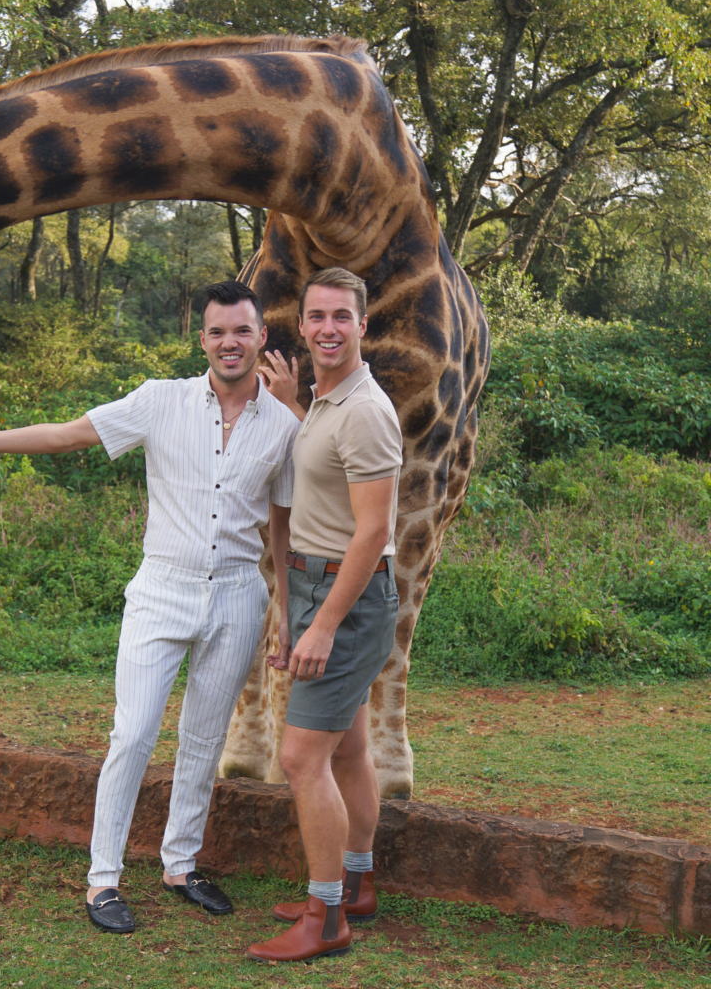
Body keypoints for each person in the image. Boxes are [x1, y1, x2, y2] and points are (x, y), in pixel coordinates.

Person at [0, 280, 299, 934]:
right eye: (216, 331)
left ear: (262, 337)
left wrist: (286, 609)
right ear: (201, 339)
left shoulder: (285, 425)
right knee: (133, 734)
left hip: (239, 593)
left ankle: (181, 865)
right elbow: (68, 435)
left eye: (241, 331)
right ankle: (103, 881)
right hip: (161, 590)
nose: (229, 342)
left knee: (204, 738)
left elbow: (284, 527)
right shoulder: (160, 401)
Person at [247, 266, 403, 963]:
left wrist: (323, 622)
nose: (329, 329)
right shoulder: (332, 402)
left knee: (300, 757)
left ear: (363, 325)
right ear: (303, 325)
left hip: (347, 594)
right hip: (320, 588)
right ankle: (356, 885)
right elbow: (322, 474)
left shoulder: (366, 410)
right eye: (317, 317)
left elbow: (372, 532)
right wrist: (292, 407)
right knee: (346, 749)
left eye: (343, 316)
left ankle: (327, 916)